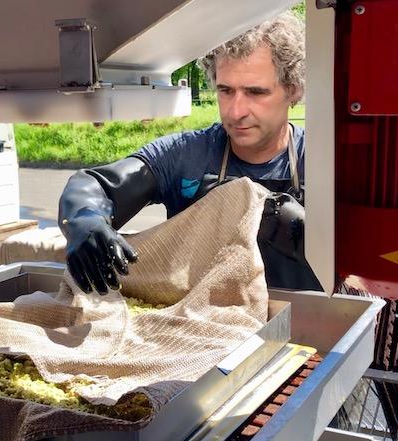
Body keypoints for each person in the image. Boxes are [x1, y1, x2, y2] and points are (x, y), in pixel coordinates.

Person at [57, 13, 321, 294]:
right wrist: (84, 218)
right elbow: (96, 184)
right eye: (226, 91)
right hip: (201, 317)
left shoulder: (325, 162)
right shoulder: (185, 156)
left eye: (255, 92)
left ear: (293, 90)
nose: (236, 111)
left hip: (308, 317)